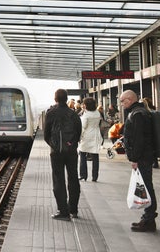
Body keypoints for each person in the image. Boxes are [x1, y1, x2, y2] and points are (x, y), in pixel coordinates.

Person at [120, 89, 158, 232]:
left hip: (142, 157)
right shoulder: (140, 112)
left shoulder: (137, 114)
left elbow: (138, 139)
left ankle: (149, 220)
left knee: (146, 187)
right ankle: (147, 218)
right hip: (145, 156)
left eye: (123, 101)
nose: (122, 104)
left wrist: (134, 158)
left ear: (130, 100)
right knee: (146, 186)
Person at [44, 88, 82, 221]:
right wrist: (71, 145)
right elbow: (78, 133)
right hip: (71, 152)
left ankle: (63, 212)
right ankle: (74, 210)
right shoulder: (74, 114)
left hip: (56, 153)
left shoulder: (50, 113)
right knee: (73, 178)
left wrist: (55, 146)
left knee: (58, 180)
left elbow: (46, 135)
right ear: (66, 99)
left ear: (55, 99)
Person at [78, 97, 103, 182]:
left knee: (82, 155)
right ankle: (95, 176)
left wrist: (79, 137)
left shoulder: (86, 115)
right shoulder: (97, 113)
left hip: (87, 136)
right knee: (95, 156)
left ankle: (83, 175)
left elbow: (83, 127)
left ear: (86, 105)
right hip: (96, 134)